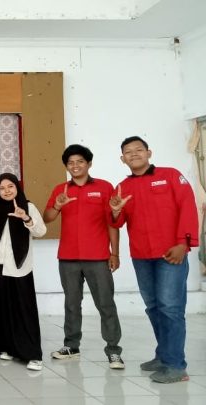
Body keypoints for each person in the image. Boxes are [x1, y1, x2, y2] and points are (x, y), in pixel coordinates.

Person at [110, 136, 198, 383]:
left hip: (171, 254)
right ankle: (164, 355)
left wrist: (183, 243)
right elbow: (117, 222)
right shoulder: (122, 188)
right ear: (122, 159)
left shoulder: (170, 176)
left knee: (170, 308)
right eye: (128, 152)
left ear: (149, 153)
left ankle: (176, 366)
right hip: (141, 256)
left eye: (139, 149)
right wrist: (115, 210)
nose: (134, 154)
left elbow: (187, 207)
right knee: (154, 307)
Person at [43, 144, 124, 369]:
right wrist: (57, 205)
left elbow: (112, 222)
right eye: (70, 163)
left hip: (98, 257)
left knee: (106, 304)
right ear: (66, 166)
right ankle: (71, 346)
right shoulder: (61, 190)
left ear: (89, 164)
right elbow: (47, 217)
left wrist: (115, 253)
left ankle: (113, 351)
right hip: (68, 258)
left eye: (80, 161)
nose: (75, 166)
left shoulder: (104, 187)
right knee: (71, 304)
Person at [0, 173, 46, 371]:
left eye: (10, 186)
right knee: (0, 309)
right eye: (2, 188)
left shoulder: (28, 207)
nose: (7, 191)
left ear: (17, 187)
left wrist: (26, 217)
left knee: (23, 310)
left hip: (19, 266)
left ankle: (32, 354)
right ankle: (5, 347)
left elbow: (41, 231)